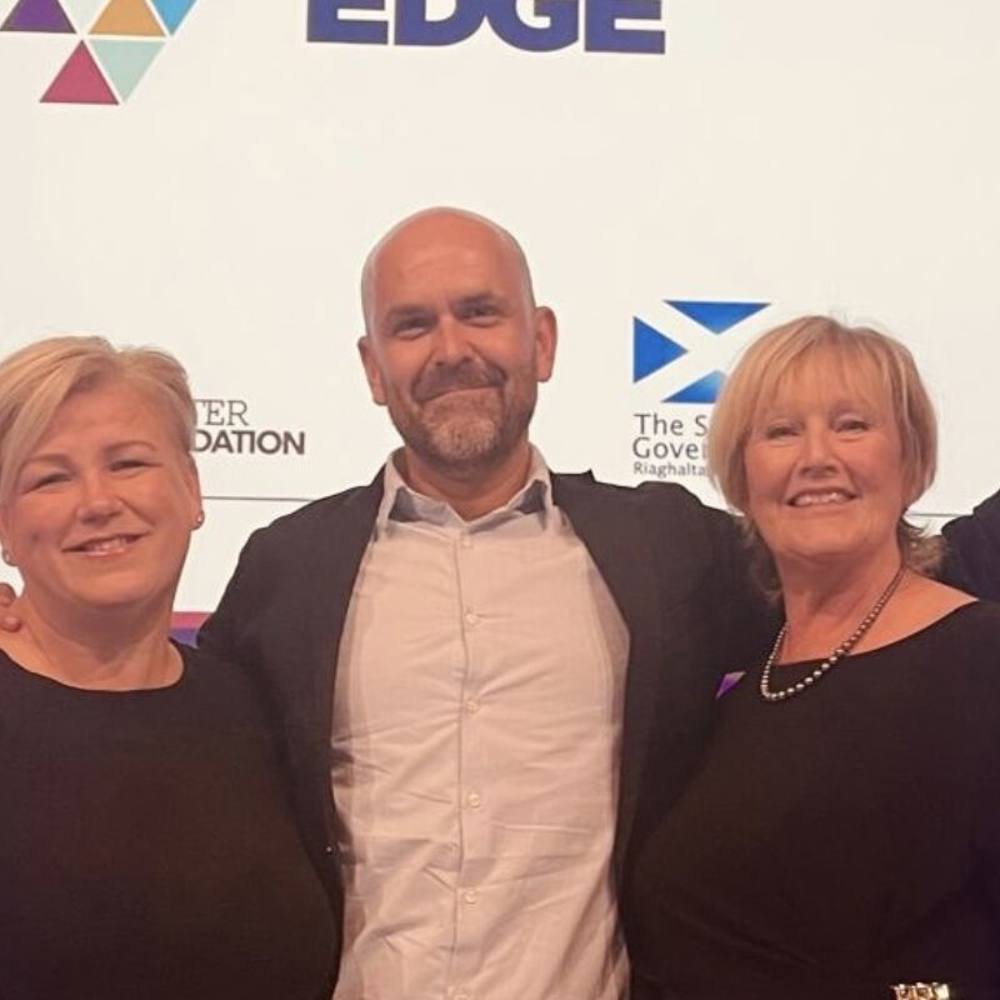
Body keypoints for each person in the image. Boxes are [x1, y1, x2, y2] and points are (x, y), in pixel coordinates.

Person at [194, 208, 1000, 1000]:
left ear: (541, 340)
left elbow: (866, 590)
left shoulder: (667, 548)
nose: (452, 349)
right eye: (413, 325)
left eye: (481, 312)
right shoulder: (286, 567)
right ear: (373, 367)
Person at [625, 317, 1000, 1000]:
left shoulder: (983, 662)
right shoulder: (740, 687)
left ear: (912, 463)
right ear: (742, 477)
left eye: (852, 425)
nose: (817, 456)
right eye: (781, 432)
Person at [0, 337, 335, 999]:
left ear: (191, 488)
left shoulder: (253, 706)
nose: (97, 501)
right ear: (6, 527)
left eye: (127, 463)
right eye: (51, 478)